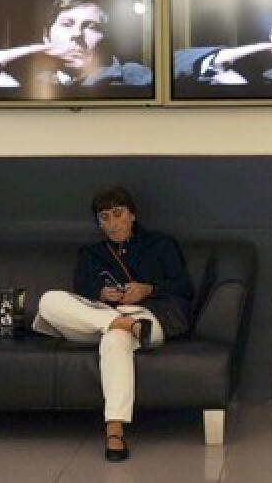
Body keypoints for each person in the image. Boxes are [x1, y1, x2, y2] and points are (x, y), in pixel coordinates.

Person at [32, 186, 193, 462]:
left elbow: (184, 287)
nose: (112, 223)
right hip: (96, 319)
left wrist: (148, 289)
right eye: (104, 217)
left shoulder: (161, 244)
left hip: (148, 316)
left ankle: (115, 430)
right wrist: (99, 293)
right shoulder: (92, 253)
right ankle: (121, 323)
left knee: (115, 338)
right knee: (48, 300)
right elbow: (79, 290)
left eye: (118, 214)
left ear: (132, 215)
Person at [0, 0, 153, 93]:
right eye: (67, 24)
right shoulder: (24, 74)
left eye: (90, 26)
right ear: (47, 36)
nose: (77, 34)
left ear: (106, 37)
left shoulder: (135, 77)